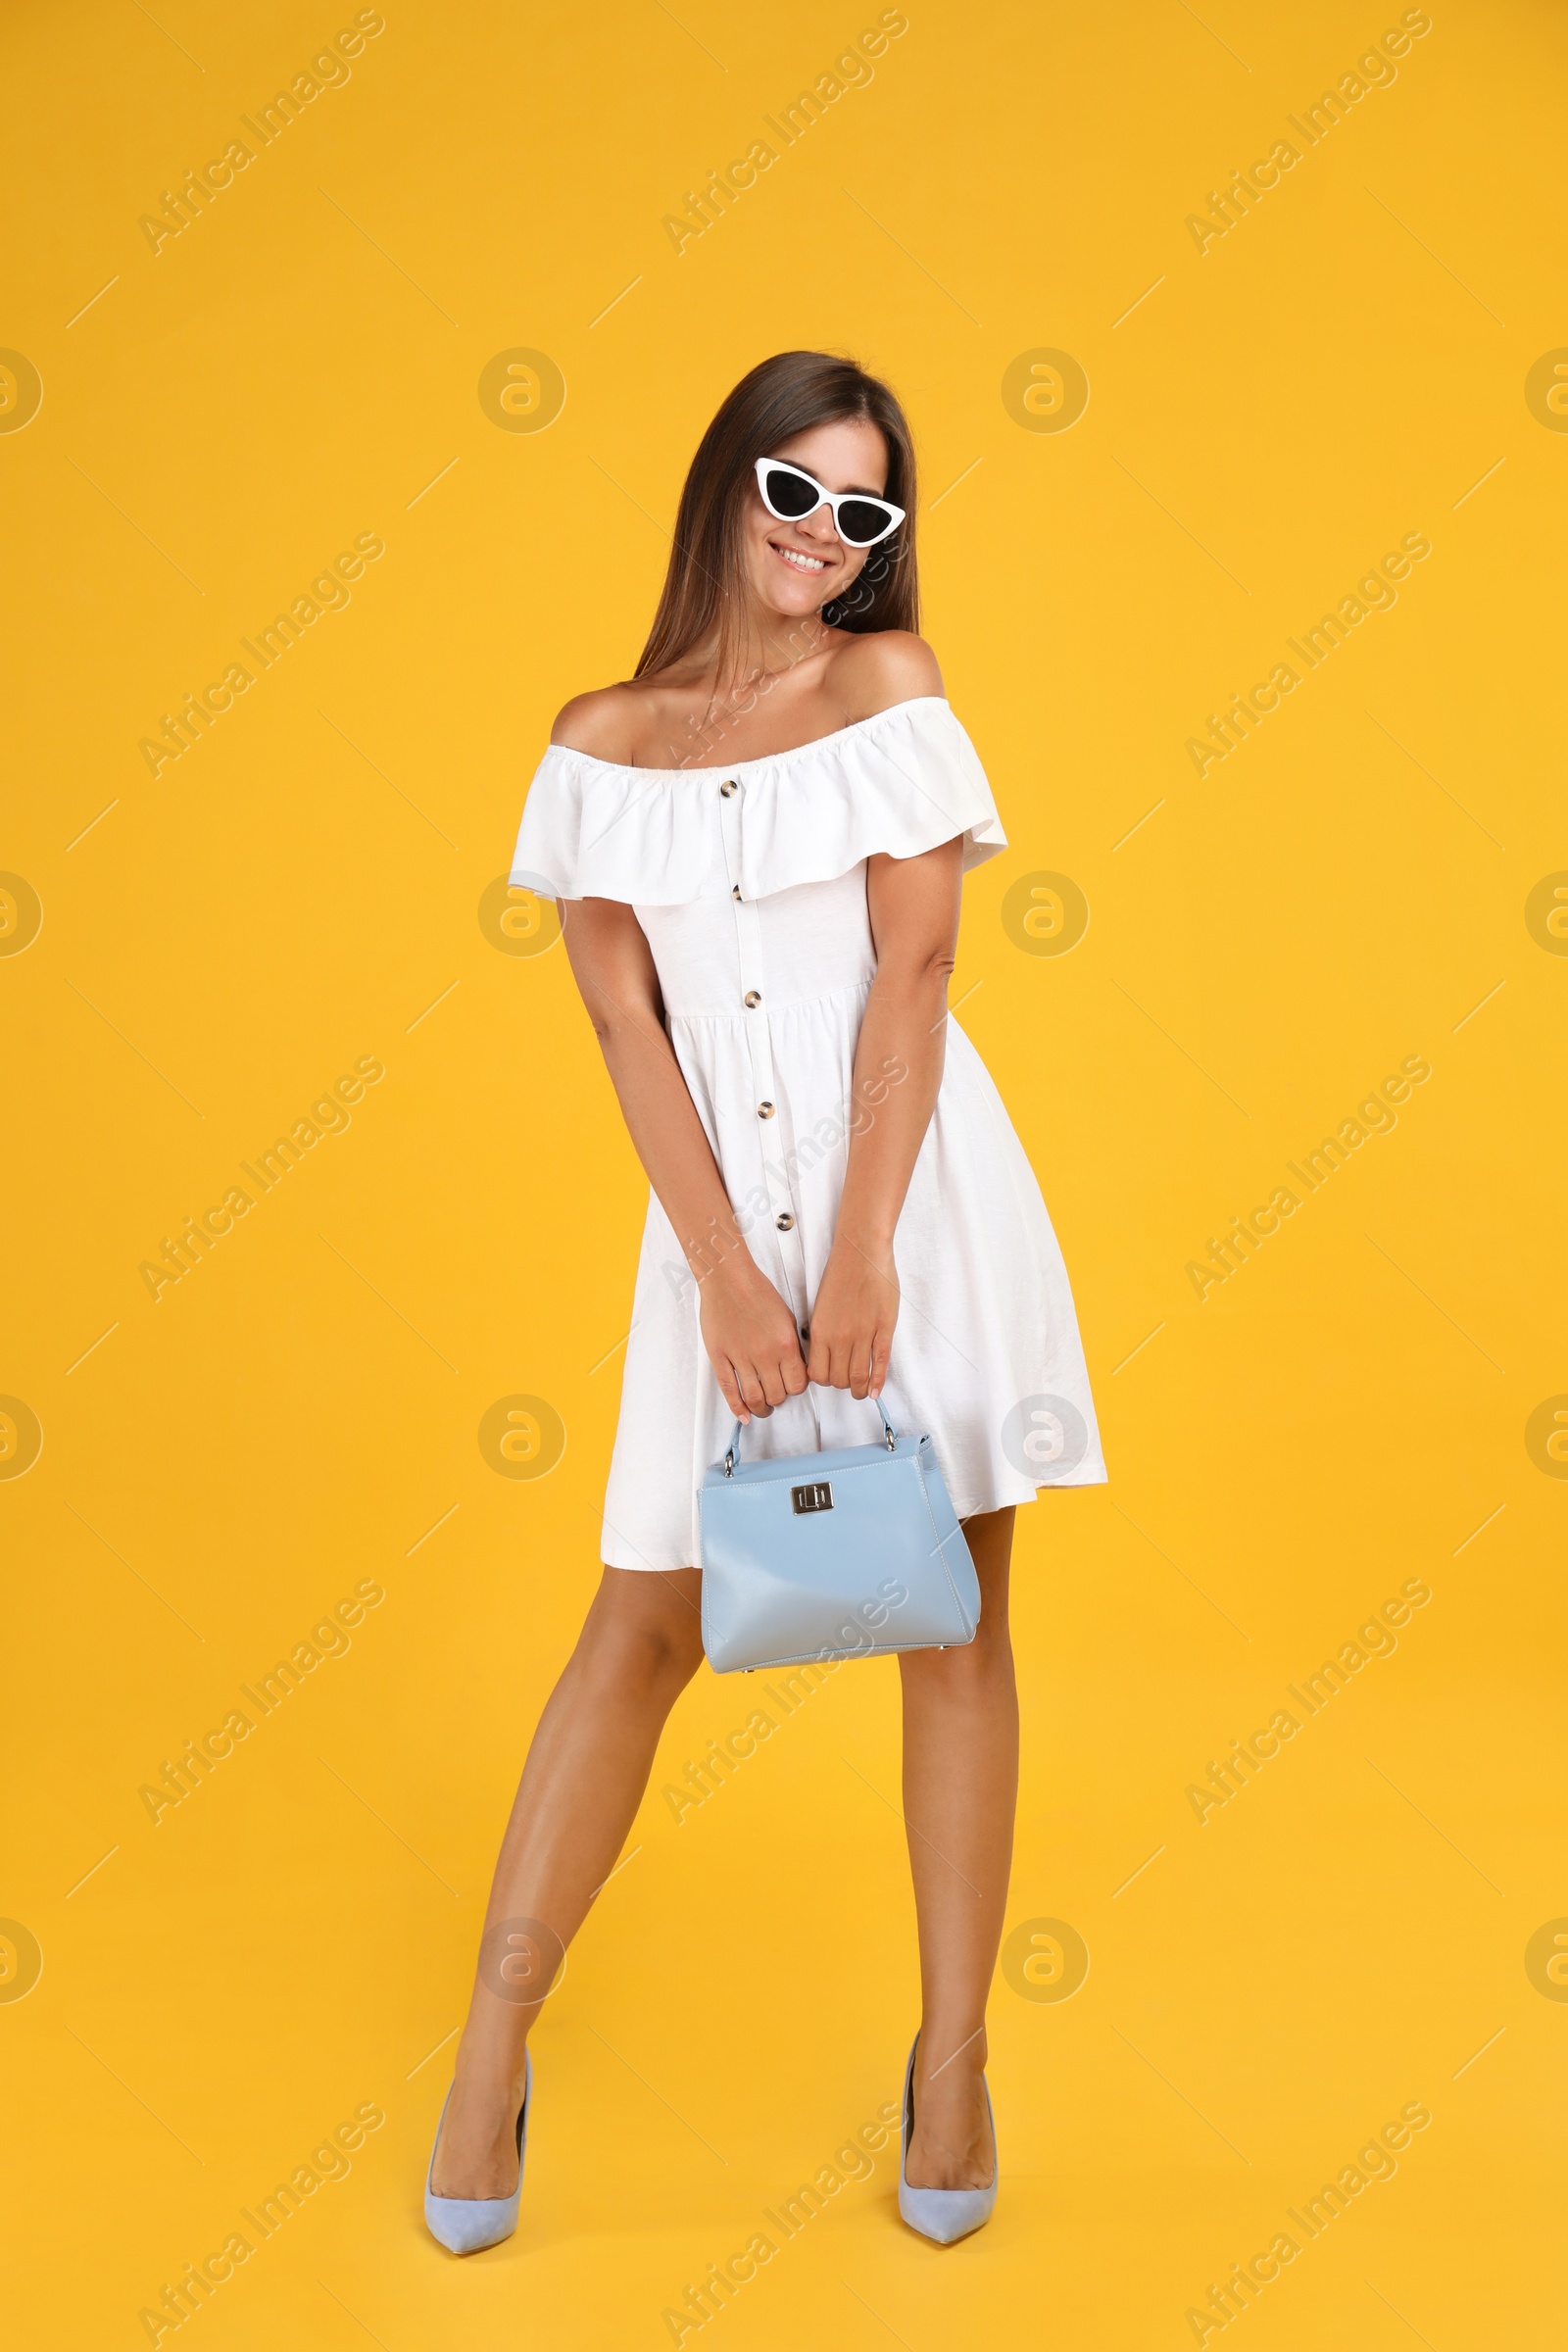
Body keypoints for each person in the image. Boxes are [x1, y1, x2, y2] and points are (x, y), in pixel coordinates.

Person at [423, 349, 1105, 2255]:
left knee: (949, 1621)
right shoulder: (598, 738)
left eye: (861, 512)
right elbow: (620, 1023)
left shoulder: (883, 689)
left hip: (912, 1200)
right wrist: (728, 1272)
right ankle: (491, 2047)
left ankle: (951, 2061)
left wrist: (862, 1250)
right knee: (638, 1631)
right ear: (725, 482)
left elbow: (914, 971)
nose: (821, 537)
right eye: (792, 492)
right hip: (709, 1228)